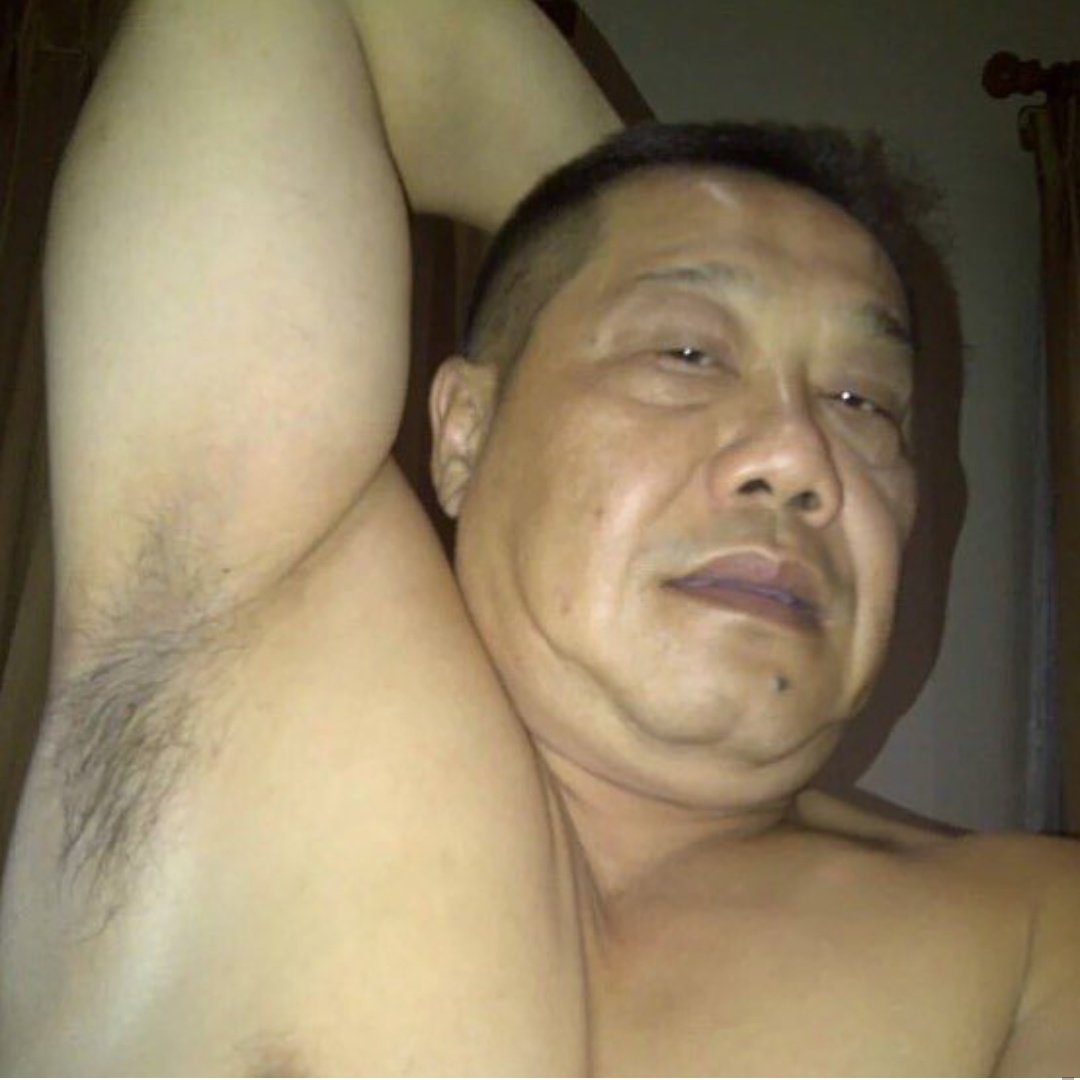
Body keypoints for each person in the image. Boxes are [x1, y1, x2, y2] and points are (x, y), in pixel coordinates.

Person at [0, 0, 1076, 1074]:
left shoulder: (1035, 938)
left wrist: (672, 231)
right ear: (465, 434)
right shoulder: (248, 652)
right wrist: (639, 199)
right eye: (687, 355)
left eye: (862, 401)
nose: (800, 458)